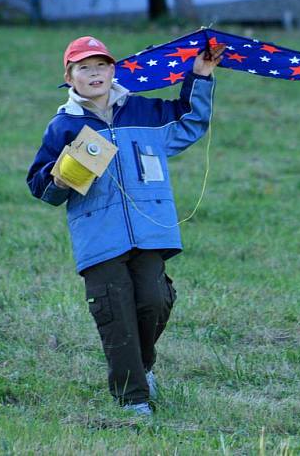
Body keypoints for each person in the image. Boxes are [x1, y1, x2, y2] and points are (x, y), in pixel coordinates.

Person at [26, 35, 225, 417]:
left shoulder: (143, 112)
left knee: (154, 299)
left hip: (150, 230)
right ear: (69, 77)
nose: (94, 73)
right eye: (84, 67)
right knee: (115, 311)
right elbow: (41, 186)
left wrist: (200, 74)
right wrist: (60, 177)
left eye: (101, 65)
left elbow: (191, 121)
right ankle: (132, 398)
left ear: (113, 70)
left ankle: (141, 365)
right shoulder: (63, 126)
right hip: (99, 238)